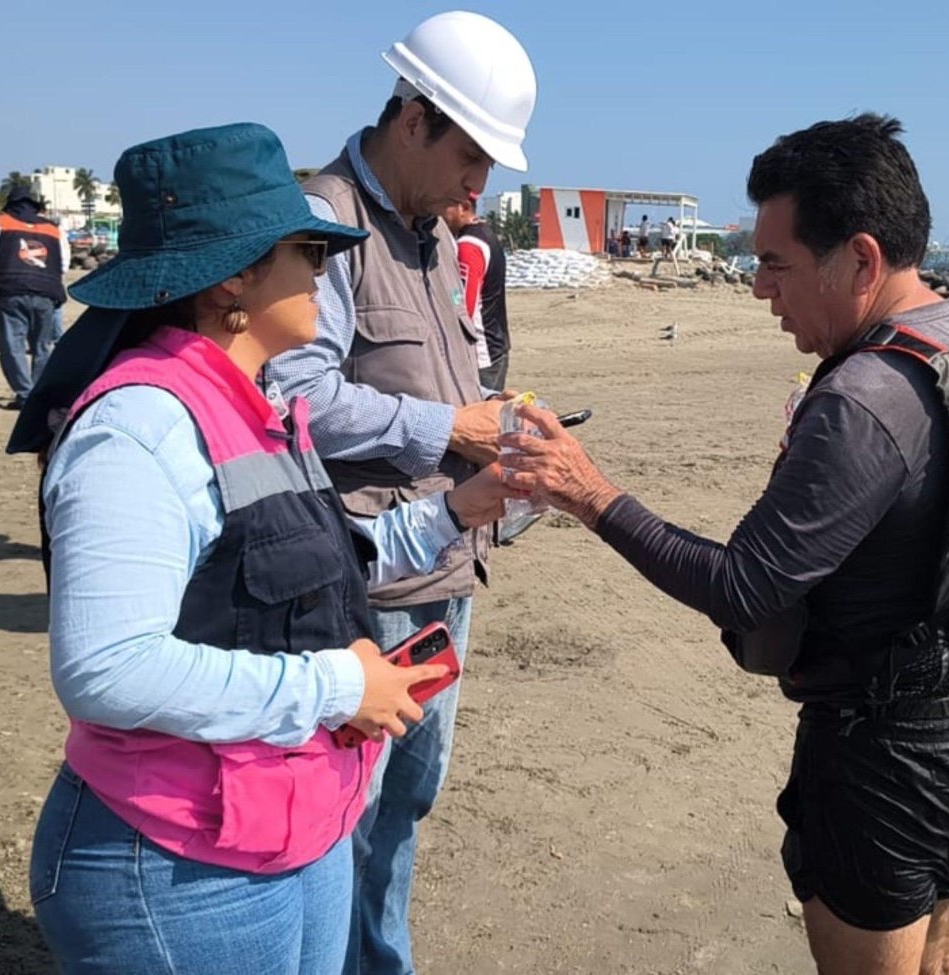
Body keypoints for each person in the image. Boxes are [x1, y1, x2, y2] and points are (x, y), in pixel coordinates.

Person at [498, 114, 949, 975]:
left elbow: (742, 589)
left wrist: (587, 490)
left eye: (775, 264)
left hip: (890, 754)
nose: (760, 288)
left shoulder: (868, 399)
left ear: (862, 259)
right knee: (946, 953)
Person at [5, 122, 509, 975]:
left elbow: (315, 567)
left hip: (282, 829)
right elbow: (107, 668)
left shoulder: (259, 404)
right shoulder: (138, 427)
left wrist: (463, 507)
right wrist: (340, 683)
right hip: (176, 863)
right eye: (308, 249)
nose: (324, 269)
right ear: (234, 276)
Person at [271, 11, 537, 973]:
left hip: (443, 570)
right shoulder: (325, 220)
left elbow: (442, 375)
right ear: (415, 118)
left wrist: (495, 418)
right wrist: (449, 428)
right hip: (364, 579)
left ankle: (380, 961)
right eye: (473, 158)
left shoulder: (431, 235)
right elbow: (294, 397)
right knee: (347, 803)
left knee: (407, 802)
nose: (481, 187)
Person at [0, 185, 70, 408]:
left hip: (11, 289)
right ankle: (38, 393)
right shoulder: (54, 229)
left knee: (12, 344)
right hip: (46, 292)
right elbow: (64, 265)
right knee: (42, 345)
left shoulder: (0, 222)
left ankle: (24, 393)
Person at [443, 193, 512, 391]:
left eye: (445, 207)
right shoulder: (487, 235)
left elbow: (464, 307)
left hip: (481, 353)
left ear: (463, 207)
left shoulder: (468, 245)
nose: (439, 215)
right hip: (496, 345)